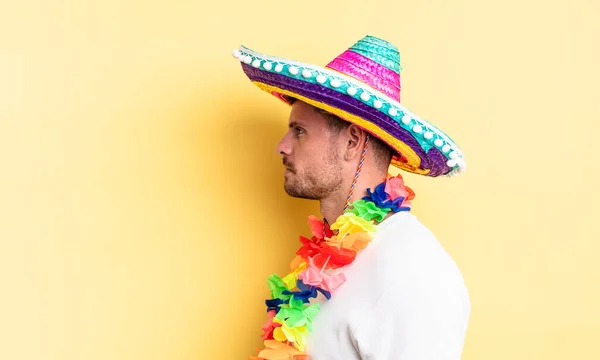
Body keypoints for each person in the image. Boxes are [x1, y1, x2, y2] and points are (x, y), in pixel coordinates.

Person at [232, 35, 470, 360]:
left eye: (299, 130)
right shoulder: (323, 259)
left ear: (351, 142)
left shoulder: (413, 269)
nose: (282, 146)